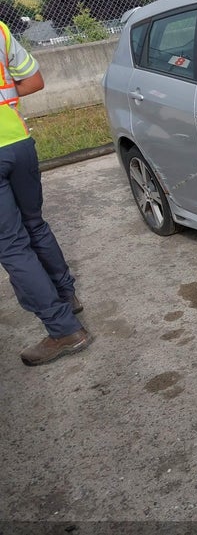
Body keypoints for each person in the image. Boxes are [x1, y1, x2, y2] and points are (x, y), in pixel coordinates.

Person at [0, 20, 92, 366]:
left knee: (11, 245)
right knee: (34, 224)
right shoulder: (1, 30)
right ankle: (66, 295)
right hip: (19, 143)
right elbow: (34, 81)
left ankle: (63, 329)